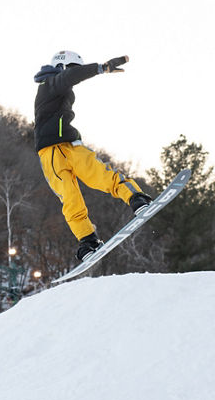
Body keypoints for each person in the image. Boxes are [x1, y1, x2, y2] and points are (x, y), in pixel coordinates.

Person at [33, 50, 153, 262]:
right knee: (70, 199)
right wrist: (101, 67)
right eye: (72, 69)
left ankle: (136, 198)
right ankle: (87, 240)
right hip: (50, 153)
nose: (74, 75)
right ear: (62, 67)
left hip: (71, 147)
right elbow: (69, 76)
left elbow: (70, 77)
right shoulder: (50, 84)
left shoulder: (59, 86)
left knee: (100, 175)